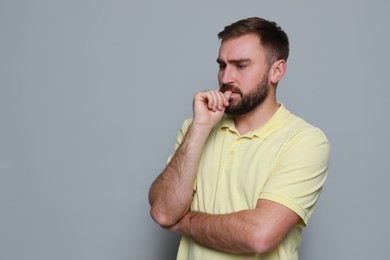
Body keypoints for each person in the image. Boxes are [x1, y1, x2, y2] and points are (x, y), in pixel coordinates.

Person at [148, 17, 330, 260]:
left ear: (277, 71)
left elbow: (259, 235)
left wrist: (184, 222)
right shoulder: (195, 128)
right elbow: (163, 212)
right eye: (222, 65)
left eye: (241, 66)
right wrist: (200, 128)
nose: (225, 78)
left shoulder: (304, 141)